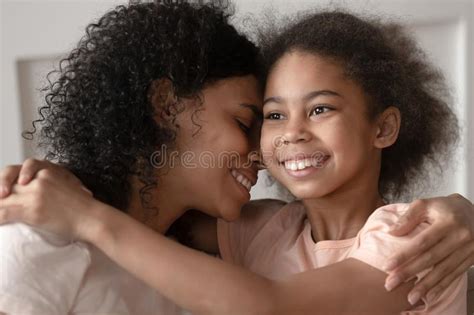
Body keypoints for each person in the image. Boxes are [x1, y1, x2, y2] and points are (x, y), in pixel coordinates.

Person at [1, 5, 474, 315]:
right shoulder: (258, 232)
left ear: (383, 127)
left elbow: (273, 306)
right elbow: (132, 205)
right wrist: (52, 184)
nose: (281, 139)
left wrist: (84, 215)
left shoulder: (415, 237)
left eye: (320, 109)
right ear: (166, 106)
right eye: (266, 116)